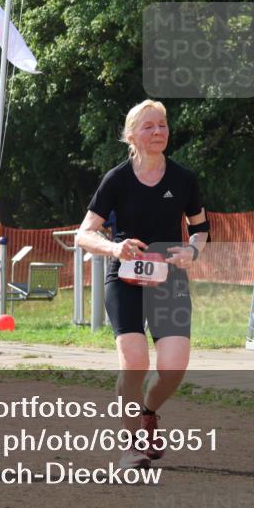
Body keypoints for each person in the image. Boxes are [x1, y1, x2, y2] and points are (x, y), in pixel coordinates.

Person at [75, 100, 208, 470]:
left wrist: (192, 252)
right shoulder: (116, 179)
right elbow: (83, 235)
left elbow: (200, 230)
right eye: (148, 126)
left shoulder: (184, 179)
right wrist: (115, 246)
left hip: (169, 278)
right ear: (131, 135)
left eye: (162, 125)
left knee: (173, 367)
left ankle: (148, 412)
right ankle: (132, 446)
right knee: (134, 363)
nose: (158, 132)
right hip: (126, 277)